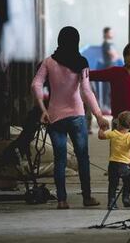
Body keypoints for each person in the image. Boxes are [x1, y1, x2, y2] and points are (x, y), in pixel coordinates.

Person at [32, 26, 109, 209]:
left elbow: (35, 84)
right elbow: (86, 91)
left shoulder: (48, 62)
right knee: (82, 157)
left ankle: (62, 200)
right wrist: (98, 115)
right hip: (77, 117)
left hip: (54, 117)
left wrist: (43, 108)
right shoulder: (81, 62)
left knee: (60, 159)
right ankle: (87, 197)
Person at [89, 42, 130, 127]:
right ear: (124, 57)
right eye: (128, 54)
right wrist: (81, 71)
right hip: (118, 120)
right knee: (117, 140)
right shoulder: (115, 72)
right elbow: (95, 75)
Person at [98, 111, 130, 210]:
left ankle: (111, 202)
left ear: (118, 123)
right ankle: (126, 197)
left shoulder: (113, 133)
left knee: (113, 184)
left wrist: (102, 128)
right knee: (127, 182)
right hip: (126, 165)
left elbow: (101, 136)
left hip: (113, 164)